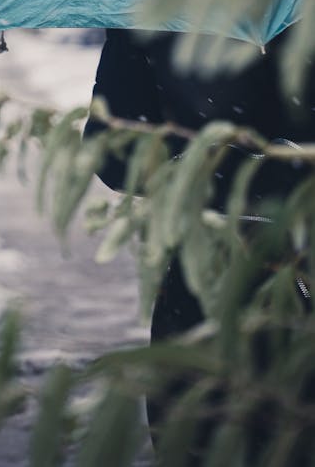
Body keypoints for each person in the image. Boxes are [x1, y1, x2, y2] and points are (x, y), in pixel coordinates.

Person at [84, 27, 315, 456]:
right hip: (266, 268)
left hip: (202, 276)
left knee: (199, 434)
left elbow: (112, 154)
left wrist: (203, 165)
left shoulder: (156, 6)